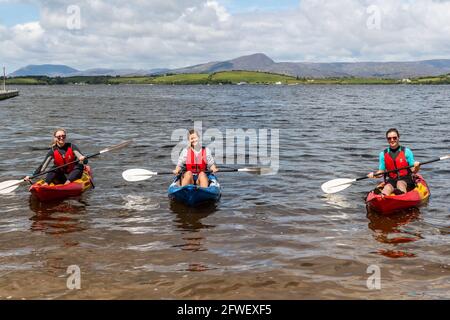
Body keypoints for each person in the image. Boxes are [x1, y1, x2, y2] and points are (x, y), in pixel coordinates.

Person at [368, 128, 420, 195]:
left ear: (398, 138)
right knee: (387, 187)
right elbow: (381, 172)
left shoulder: (407, 152)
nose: (392, 140)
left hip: (406, 179)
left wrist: (417, 166)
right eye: (389, 138)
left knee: (400, 183)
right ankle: (382, 196)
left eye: (394, 138)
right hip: (392, 179)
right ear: (387, 140)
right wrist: (374, 175)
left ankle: (401, 195)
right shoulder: (383, 154)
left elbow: (414, 170)